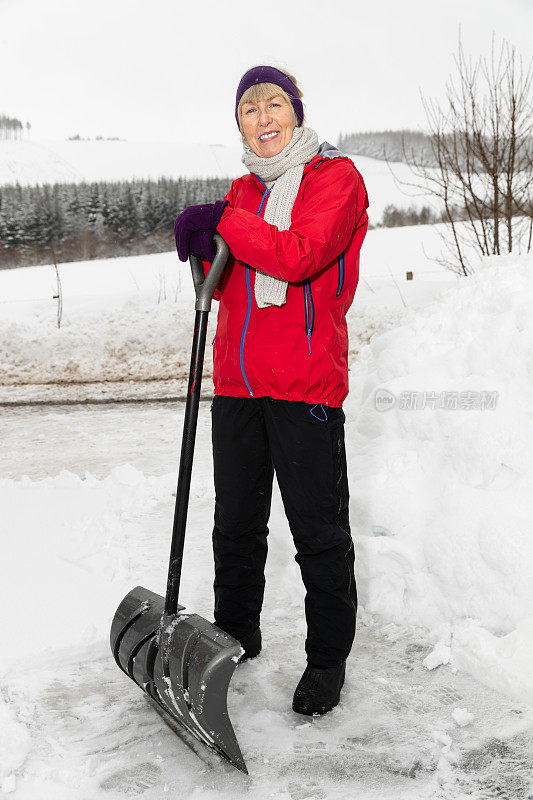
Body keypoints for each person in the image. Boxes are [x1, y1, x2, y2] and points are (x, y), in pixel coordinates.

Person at [174, 65, 369, 716]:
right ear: (239, 124)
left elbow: (296, 255)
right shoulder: (243, 191)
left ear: (296, 111)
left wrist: (228, 223)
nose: (262, 116)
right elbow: (228, 289)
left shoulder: (333, 178)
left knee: (317, 531)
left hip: (304, 383)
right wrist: (204, 251)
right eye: (248, 109)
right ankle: (236, 631)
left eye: (273, 103)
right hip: (236, 381)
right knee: (234, 526)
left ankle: (326, 660)